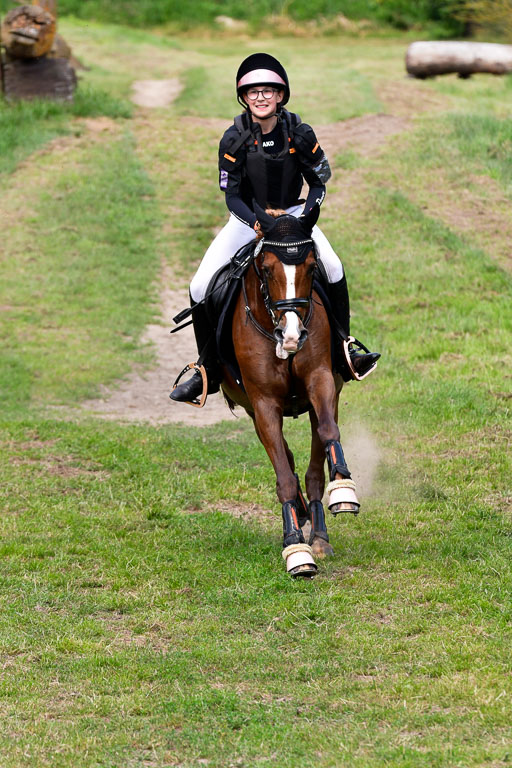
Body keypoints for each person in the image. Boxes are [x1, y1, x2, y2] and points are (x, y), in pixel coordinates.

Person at [171, 52, 380, 403]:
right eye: (253, 92)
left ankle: (346, 348)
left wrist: (306, 216)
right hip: (248, 221)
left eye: (268, 91)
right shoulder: (232, 139)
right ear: (244, 98)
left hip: (295, 218)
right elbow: (232, 195)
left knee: (333, 266)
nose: (261, 97)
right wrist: (256, 222)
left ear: (281, 95)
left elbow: (318, 182)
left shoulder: (300, 132)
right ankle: (206, 368)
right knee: (198, 284)